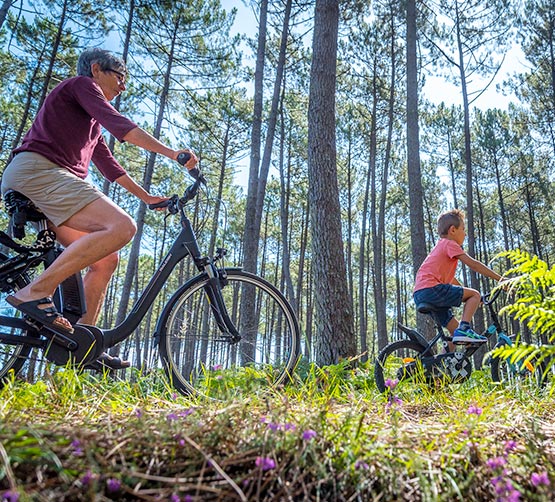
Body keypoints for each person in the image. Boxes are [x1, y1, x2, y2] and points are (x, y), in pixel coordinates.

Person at [1, 48, 198, 365]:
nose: (123, 86)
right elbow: (121, 127)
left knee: (106, 259)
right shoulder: (81, 86)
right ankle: (35, 292)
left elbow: (109, 167)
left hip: (41, 178)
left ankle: (81, 345)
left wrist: (147, 198)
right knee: (122, 227)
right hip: (39, 172)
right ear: (96, 69)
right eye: (120, 76)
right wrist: (174, 153)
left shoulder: (88, 119)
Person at [413, 209, 504, 344]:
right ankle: (465, 329)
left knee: (454, 332)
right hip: (432, 290)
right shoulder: (450, 244)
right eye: (463, 229)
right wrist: (500, 279)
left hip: (422, 293)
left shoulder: (440, 247)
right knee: (474, 295)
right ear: (453, 230)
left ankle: (443, 363)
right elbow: (474, 264)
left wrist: (465, 294)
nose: (465, 233)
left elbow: (451, 281)